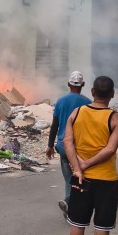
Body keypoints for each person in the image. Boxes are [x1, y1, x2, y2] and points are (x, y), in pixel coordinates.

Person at [63, 75, 118, 235]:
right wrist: (87, 165)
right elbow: (110, 150)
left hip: (80, 178)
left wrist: (78, 167)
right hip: (106, 180)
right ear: (112, 94)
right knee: (102, 226)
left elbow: (67, 141)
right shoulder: (115, 118)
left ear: (92, 92)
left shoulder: (77, 113)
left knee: (77, 223)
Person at [46, 70, 91, 218]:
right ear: (83, 85)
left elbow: (55, 125)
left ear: (68, 84)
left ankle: (69, 207)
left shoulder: (60, 101)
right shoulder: (88, 103)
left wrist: (50, 145)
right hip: (80, 149)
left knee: (68, 180)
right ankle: (73, 207)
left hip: (63, 147)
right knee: (80, 178)